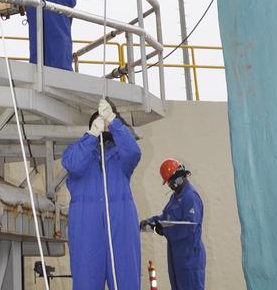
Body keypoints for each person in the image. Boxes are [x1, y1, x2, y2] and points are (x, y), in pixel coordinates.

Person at [61, 97, 141, 290]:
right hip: (86, 228)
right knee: (86, 283)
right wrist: (91, 135)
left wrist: (114, 121)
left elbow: (133, 152)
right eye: (100, 124)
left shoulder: (121, 158)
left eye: (106, 125)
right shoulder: (77, 153)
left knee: (126, 281)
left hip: (120, 224)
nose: (104, 128)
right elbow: (71, 164)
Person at [140, 158, 206, 290]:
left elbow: (189, 228)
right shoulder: (175, 197)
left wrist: (164, 230)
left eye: (170, 182)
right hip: (177, 256)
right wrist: (151, 222)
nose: (169, 186)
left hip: (189, 257)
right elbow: (166, 217)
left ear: (177, 179)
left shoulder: (190, 197)